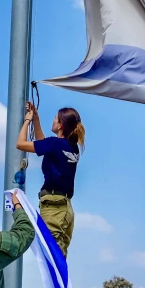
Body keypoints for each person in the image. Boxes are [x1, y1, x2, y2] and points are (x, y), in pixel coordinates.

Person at [15, 102, 85, 256]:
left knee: (51, 255)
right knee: (59, 257)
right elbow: (44, 144)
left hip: (54, 206)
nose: (53, 121)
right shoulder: (72, 147)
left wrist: (27, 120)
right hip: (65, 208)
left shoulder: (54, 144)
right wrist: (36, 119)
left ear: (60, 125)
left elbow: (20, 144)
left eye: (55, 119)